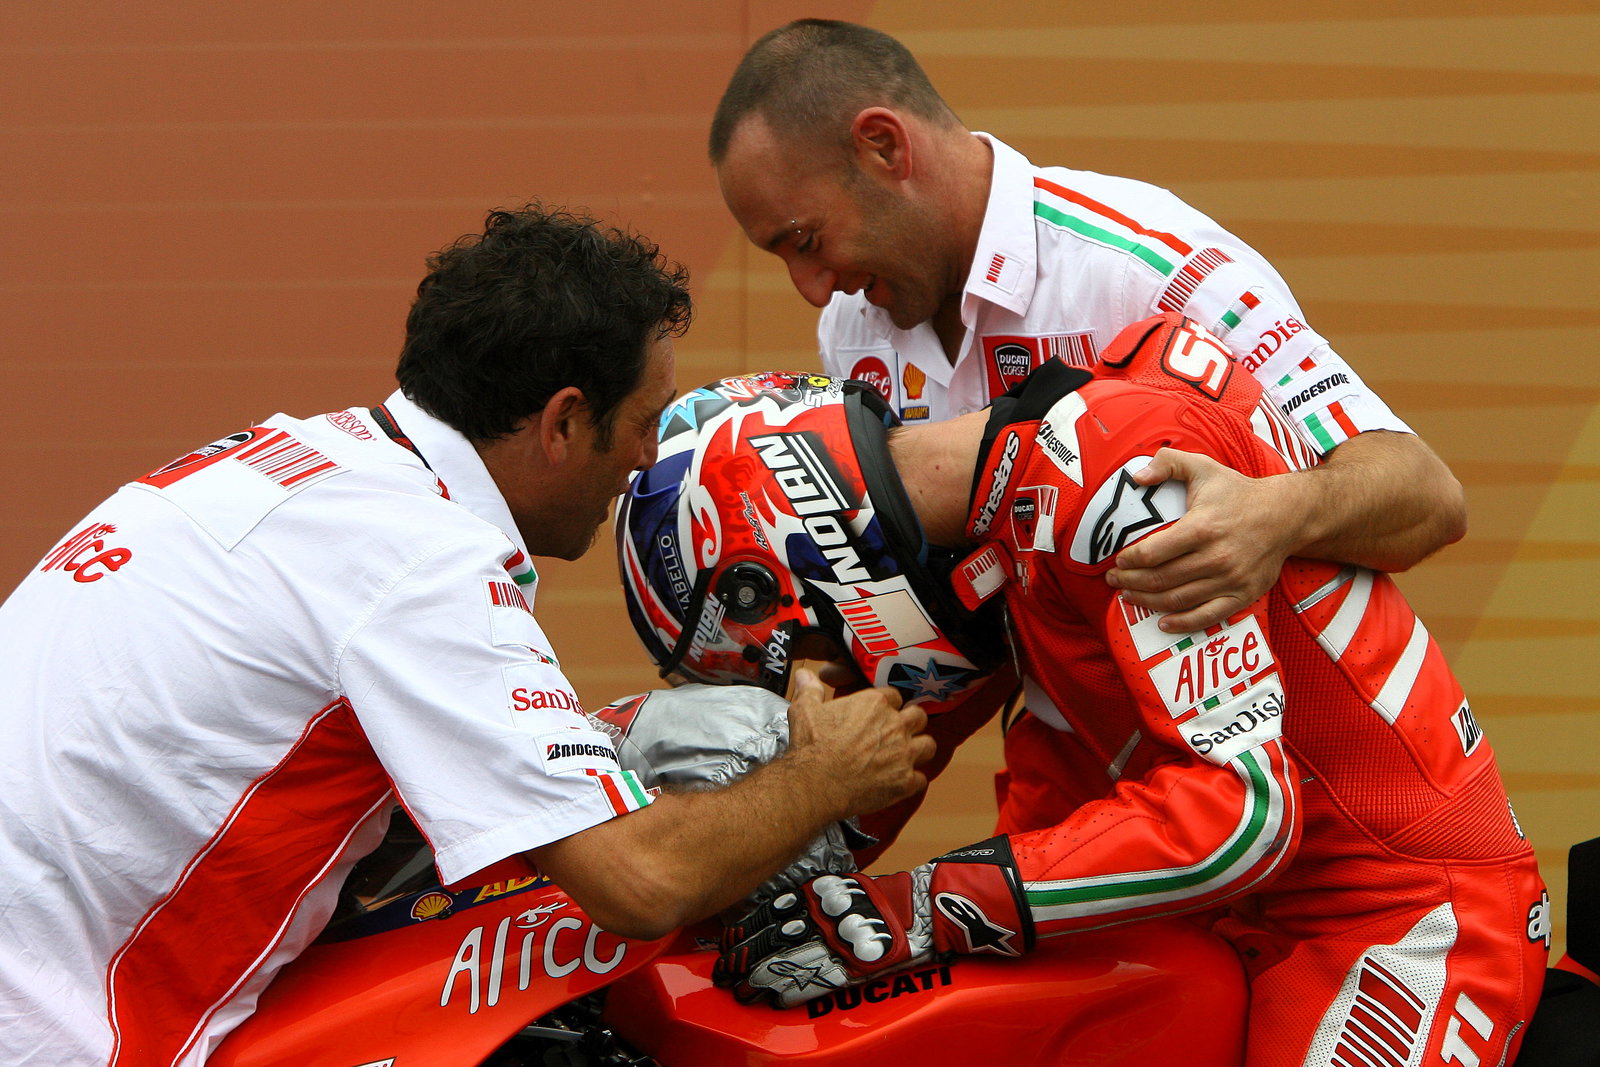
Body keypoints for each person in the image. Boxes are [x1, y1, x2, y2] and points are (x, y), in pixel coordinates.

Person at [0, 205, 931, 1067]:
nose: (650, 459)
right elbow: (639, 880)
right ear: (565, 421)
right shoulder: (423, 562)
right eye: (645, 423)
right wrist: (827, 771)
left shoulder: (300, 457)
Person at [614, 314, 1547, 1065]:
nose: (825, 680)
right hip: (1225, 916)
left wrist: (919, 908)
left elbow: (1242, 815)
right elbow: (947, 794)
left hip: (1395, 912)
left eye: (803, 656)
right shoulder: (994, 521)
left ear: (794, 559)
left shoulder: (1116, 476)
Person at [709, 19, 1466, 636]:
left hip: (1281, 756)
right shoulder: (852, 324)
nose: (811, 290)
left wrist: (1276, 514)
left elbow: (1427, 495)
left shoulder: (1152, 269)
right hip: (1074, 755)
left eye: (805, 240)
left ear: (885, 146)